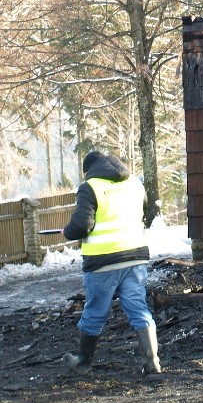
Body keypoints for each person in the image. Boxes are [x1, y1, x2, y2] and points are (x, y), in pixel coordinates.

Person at [61, 151, 162, 377]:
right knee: (138, 308)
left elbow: (81, 226)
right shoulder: (135, 183)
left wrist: (67, 231)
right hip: (135, 258)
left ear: (89, 170)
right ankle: (152, 362)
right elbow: (142, 212)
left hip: (102, 262)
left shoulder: (90, 187)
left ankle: (83, 362)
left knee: (95, 312)